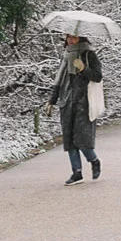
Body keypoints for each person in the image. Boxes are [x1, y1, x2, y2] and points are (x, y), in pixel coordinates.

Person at [50, 33, 103, 185]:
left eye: (74, 37)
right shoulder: (66, 56)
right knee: (69, 140)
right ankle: (77, 172)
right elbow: (59, 80)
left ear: (81, 38)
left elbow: (97, 76)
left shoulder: (89, 55)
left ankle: (94, 160)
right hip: (67, 102)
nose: (71, 40)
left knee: (81, 139)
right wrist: (52, 100)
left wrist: (83, 68)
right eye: (69, 37)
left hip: (84, 103)